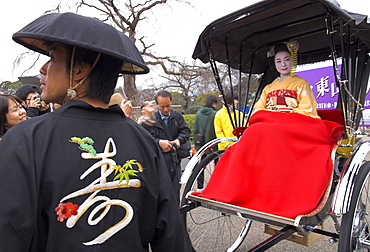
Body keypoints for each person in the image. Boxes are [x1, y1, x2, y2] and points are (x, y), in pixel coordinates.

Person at [0, 13, 192, 251]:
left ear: (79, 70)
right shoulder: (142, 140)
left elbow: (9, 232)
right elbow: (172, 238)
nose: (43, 68)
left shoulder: (26, 138)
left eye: (51, 56)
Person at [193, 41, 343, 219]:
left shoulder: (301, 84)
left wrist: (284, 115)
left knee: (274, 130)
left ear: (292, 62)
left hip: (293, 123)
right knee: (251, 134)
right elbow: (258, 109)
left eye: (287, 60)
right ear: (275, 63)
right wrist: (271, 116)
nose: (283, 64)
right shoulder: (269, 87)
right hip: (270, 123)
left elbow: (306, 108)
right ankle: (241, 188)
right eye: (279, 61)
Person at [141, 90, 191, 202]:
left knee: (175, 191)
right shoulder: (151, 118)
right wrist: (159, 142)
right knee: (160, 192)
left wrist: (179, 140)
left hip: (174, 159)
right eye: (162, 106)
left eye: (168, 105)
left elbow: (186, 131)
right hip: (158, 161)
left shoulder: (176, 116)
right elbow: (145, 137)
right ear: (157, 105)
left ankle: (175, 216)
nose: (166, 109)